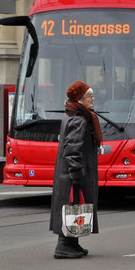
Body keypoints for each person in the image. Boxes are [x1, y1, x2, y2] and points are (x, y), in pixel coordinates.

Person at [50, 81, 102, 259]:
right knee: (72, 206)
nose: (92, 99)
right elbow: (72, 149)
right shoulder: (79, 119)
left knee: (74, 207)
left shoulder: (72, 115)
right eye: (89, 96)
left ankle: (72, 242)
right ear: (80, 99)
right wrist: (76, 174)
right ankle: (64, 245)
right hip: (73, 173)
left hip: (69, 173)